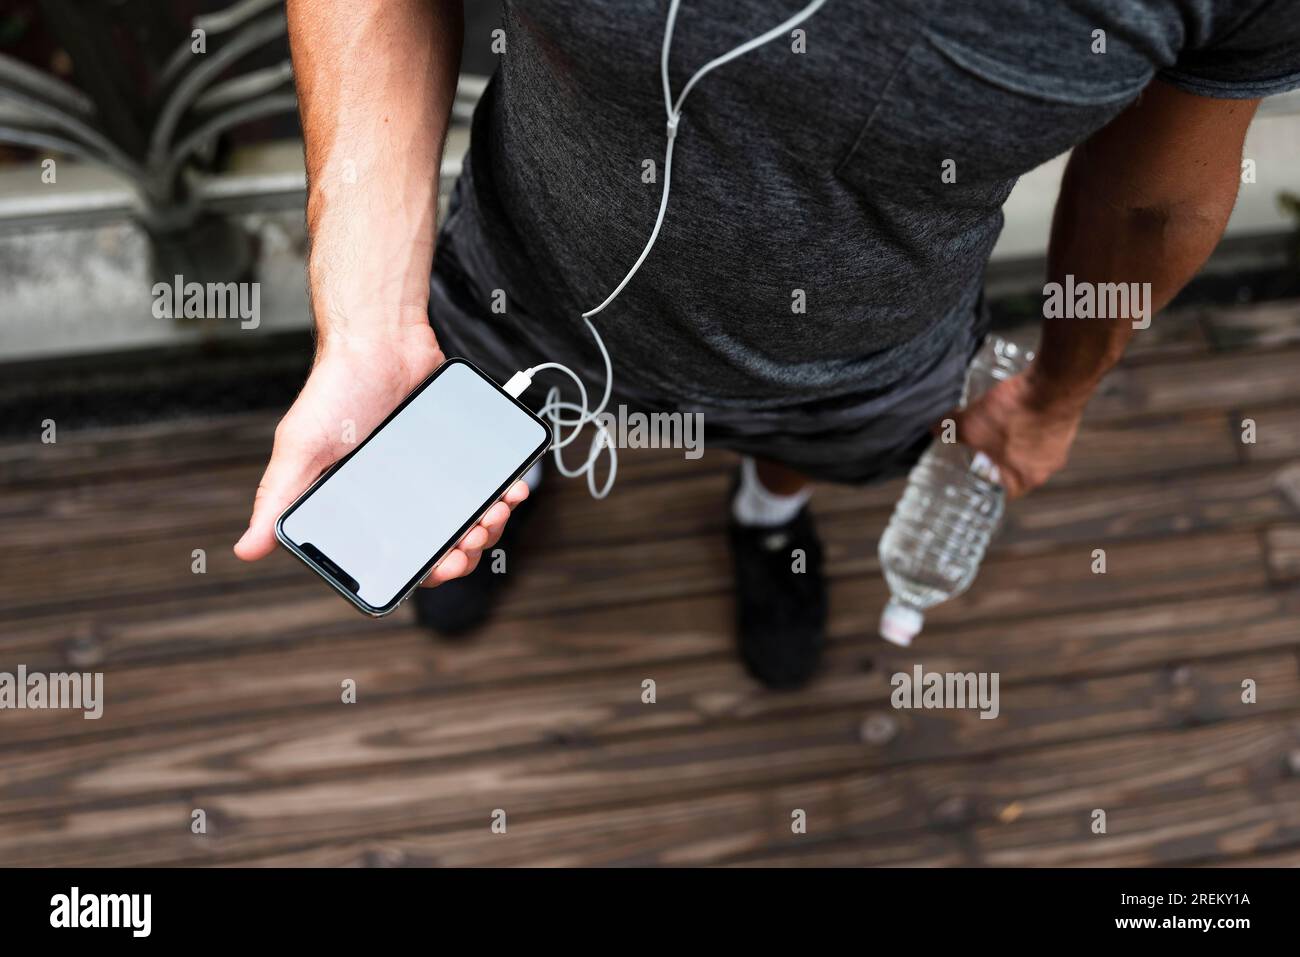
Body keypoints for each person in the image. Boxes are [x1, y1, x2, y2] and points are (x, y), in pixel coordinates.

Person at [234, 0, 1300, 689]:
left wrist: (1057, 394)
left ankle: (768, 511)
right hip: (521, 273)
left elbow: (1153, 202)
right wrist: (369, 317)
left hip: (855, 354)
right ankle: (514, 458)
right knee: (493, 413)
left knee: (809, 446)